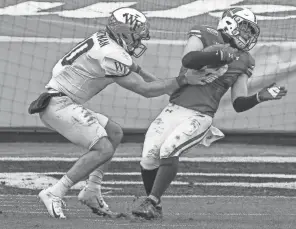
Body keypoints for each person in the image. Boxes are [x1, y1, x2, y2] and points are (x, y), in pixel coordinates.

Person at [28, 7, 191, 219]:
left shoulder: (106, 41)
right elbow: (144, 90)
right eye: (136, 37)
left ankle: (92, 190)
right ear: (123, 33)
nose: (138, 42)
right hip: (59, 105)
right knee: (103, 148)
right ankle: (55, 192)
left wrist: (172, 89)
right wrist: (182, 82)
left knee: (113, 132)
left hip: (62, 101)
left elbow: (139, 72)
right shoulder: (111, 54)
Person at [131, 7, 288, 220]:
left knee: (169, 149)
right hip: (175, 108)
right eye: (244, 28)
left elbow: (238, 104)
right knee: (149, 159)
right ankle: (154, 204)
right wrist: (217, 54)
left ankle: (151, 201)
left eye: (250, 31)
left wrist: (260, 96)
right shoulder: (204, 33)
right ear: (230, 23)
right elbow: (188, 60)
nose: (248, 35)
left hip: (201, 115)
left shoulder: (245, 60)